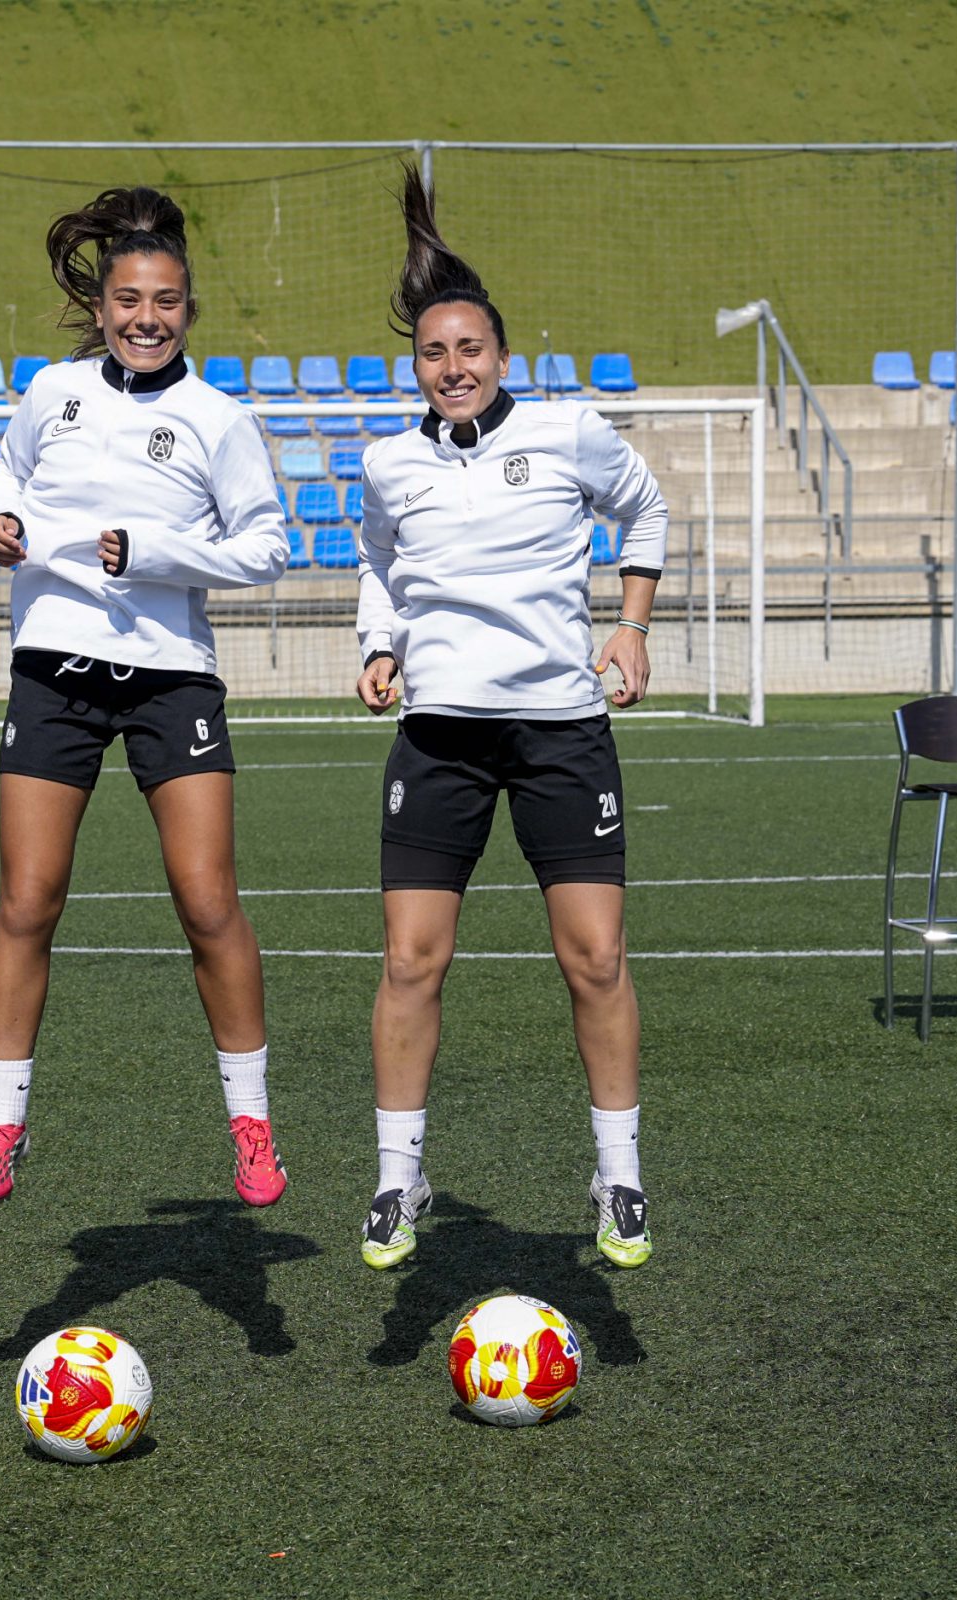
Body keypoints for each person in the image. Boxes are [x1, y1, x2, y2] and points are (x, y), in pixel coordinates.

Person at [352, 178, 666, 1272]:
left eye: (470, 347)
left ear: (500, 352)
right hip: (439, 735)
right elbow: (382, 560)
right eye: (435, 352)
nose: (453, 367)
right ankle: (399, 1176)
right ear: (418, 365)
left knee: (594, 957)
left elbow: (649, 509)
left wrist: (628, 627)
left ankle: (617, 1173)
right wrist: (379, 643)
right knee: (410, 961)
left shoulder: (570, 433)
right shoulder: (389, 462)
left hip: (557, 732)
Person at [0, 186, 292, 1209]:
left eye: (166, 301)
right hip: (52, 667)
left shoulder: (218, 419)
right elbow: (3, 478)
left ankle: (250, 1125)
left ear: (188, 310)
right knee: (28, 901)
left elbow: (268, 549)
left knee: (206, 901)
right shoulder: (50, 393)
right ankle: (0, 1128)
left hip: (171, 676)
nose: (145, 317)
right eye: (127, 299)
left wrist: (153, 555)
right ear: (101, 305)